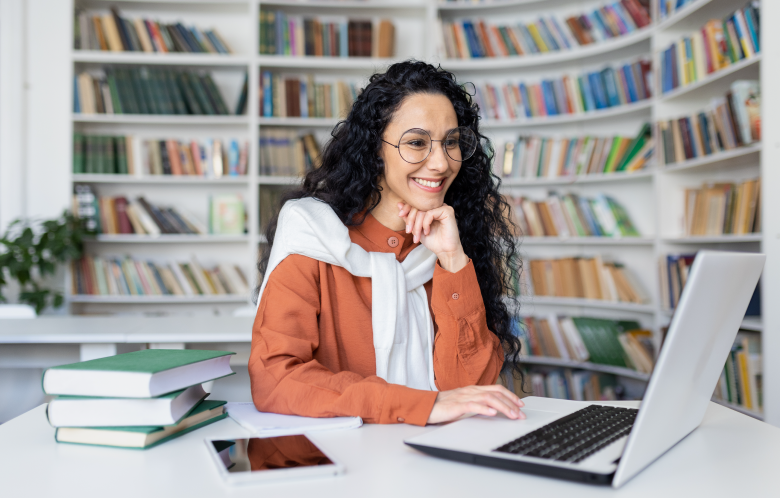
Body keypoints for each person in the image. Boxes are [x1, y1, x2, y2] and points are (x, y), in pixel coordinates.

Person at [249, 60, 524, 426]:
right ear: (375, 148)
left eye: (452, 142)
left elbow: (469, 391)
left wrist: (453, 260)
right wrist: (418, 406)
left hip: (425, 460)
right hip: (325, 463)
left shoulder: (449, 239)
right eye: (416, 143)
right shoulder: (311, 232)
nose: (441, 163)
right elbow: (276, 379)